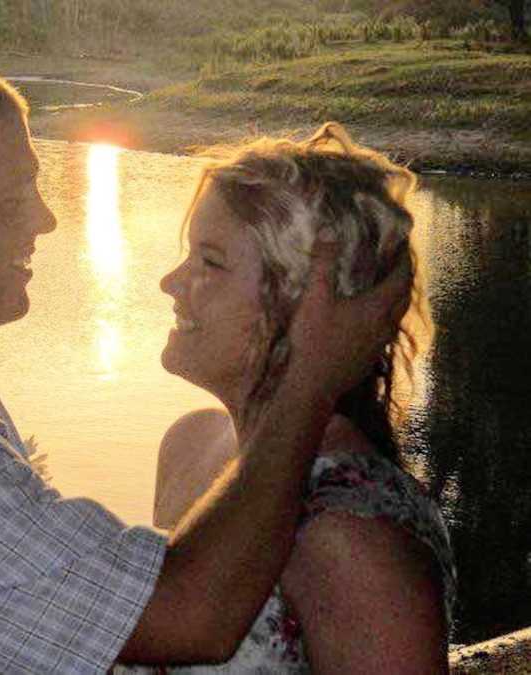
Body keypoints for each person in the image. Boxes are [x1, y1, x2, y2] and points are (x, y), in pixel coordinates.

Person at [0, 54, 411, 673]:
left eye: (210, 260)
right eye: (13, 197)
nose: (46, 219)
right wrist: (310, 377)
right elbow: (188, 617)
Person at [133, 124, 455, 673]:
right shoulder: (190, 445)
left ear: (310, 305)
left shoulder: (352, 537)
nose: (170, 281)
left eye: (210, 262)